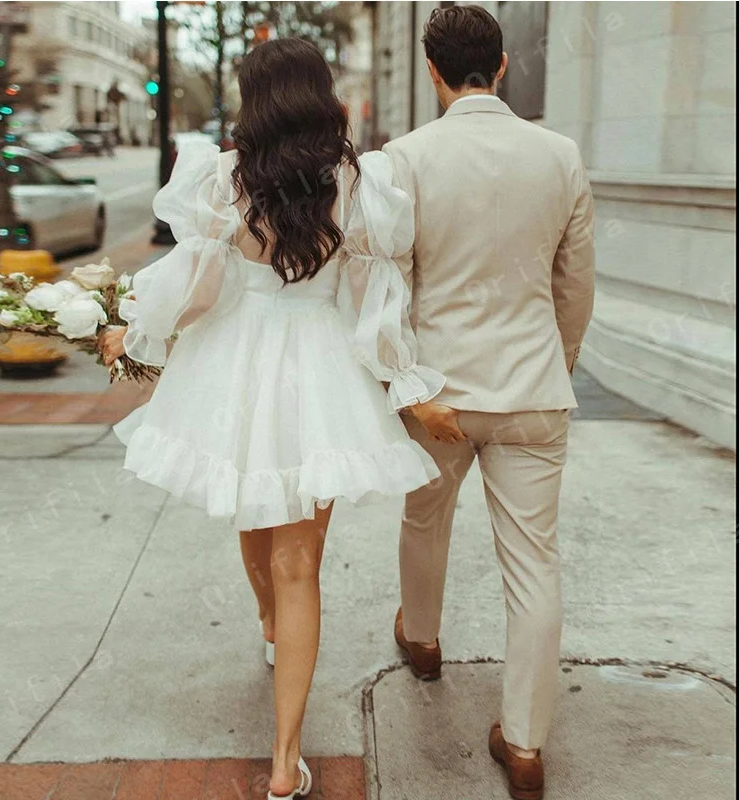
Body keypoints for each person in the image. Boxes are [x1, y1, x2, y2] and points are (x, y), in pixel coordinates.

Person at [98, 38, 443, 800]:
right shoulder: (356, 181)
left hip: (237, 365)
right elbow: (370, 304)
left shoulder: (222, 178)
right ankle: (286, 761)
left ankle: (266, 625)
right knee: (301, 565)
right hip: (322, 367)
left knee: (253, 515)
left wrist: (142, 336)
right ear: (319, 95)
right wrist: (404, 381)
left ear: (255, 99)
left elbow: (197, 283)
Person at [382, 6, 595, 799]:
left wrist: (405, 383)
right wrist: (555, 364)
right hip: (534, 386)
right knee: (534, 564)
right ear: (501, 65)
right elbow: (575, 285)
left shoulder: (403, 159)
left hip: (439, 392)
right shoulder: (560, 154)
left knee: (422, 518)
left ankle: (425, 642)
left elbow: (388, 286)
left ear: (432, 70)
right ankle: (527, 743)